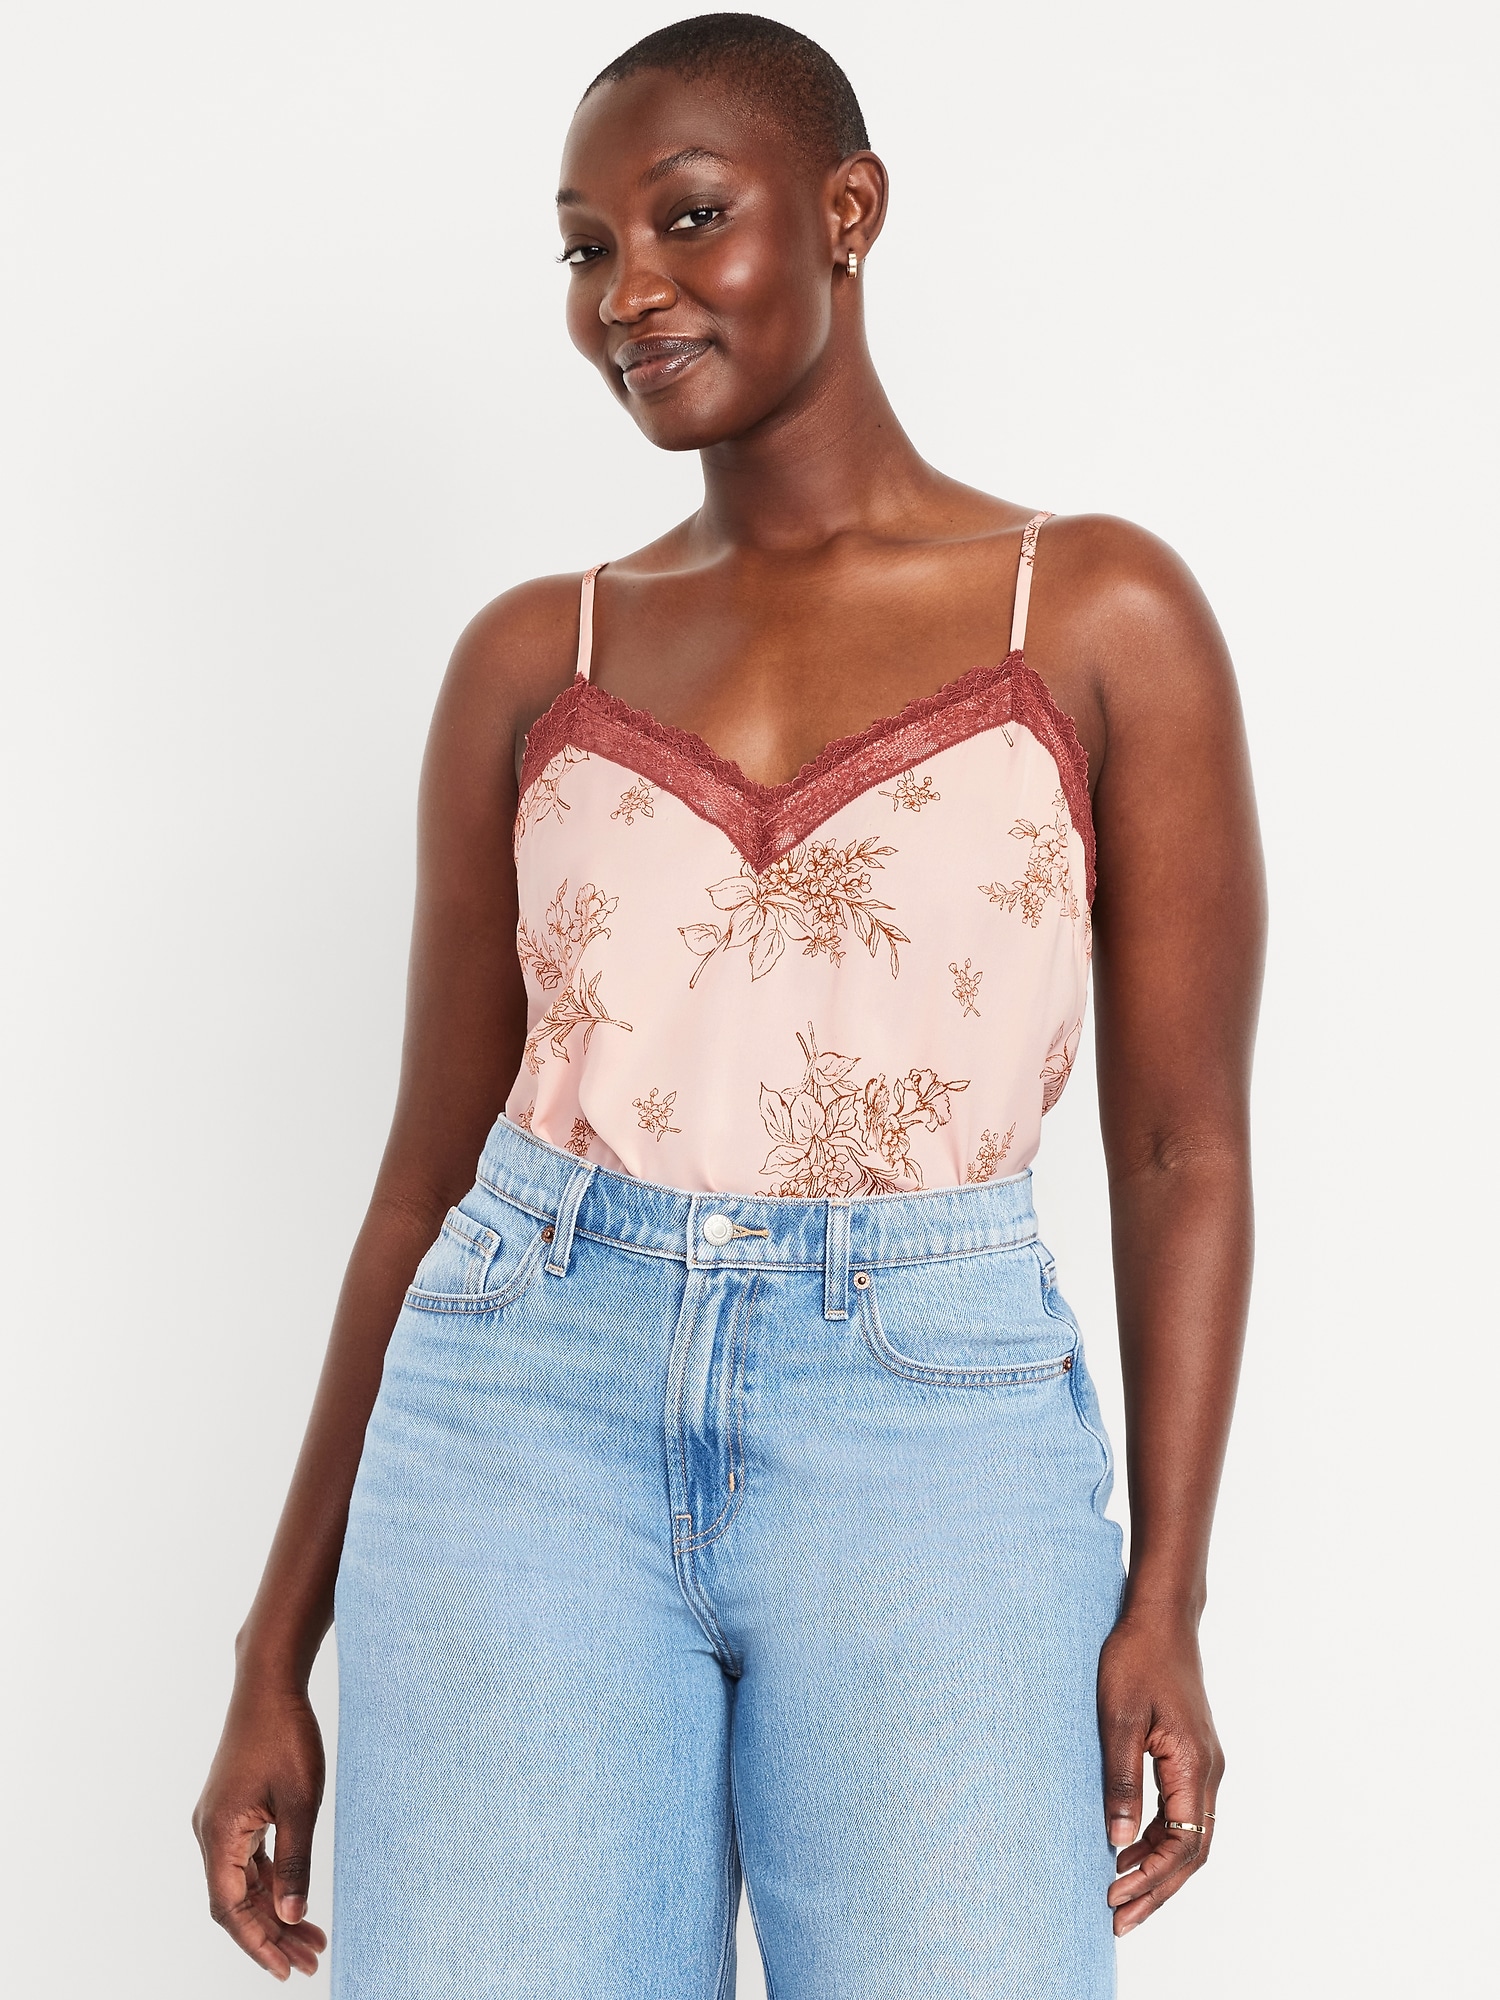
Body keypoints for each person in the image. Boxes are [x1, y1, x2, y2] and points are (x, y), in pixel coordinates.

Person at [194, 14, 1265, 1995]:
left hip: (936, 1429)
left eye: (688, 219)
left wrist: (1171, 1597)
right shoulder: (539, 658)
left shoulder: (1096, 615)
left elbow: (1183, 1144)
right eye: (586, 248)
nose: (629, 293)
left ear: (850, 211)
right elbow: (426, 1174)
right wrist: (277, 1645)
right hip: (520, 1413)